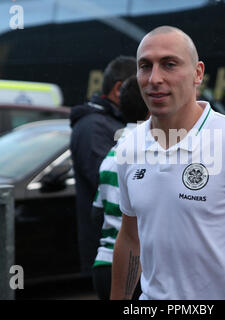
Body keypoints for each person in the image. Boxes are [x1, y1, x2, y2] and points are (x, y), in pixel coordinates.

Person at [110, 26, 225, 300]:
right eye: (145, 66)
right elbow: (130, 239)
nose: (154, 78)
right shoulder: (129, 146)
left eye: (169, 64)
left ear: (198, 73)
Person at [70, 56, 136, 276]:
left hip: (121, 248)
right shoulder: (95, 126)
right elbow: (109, 184)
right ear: (119, 89)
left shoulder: (109, 122)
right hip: (108, 251)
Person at [92, 76, 148, 300]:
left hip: (104, 264)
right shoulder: (149, 153)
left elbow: (97, 212)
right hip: (135, 269)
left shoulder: (112, 154)